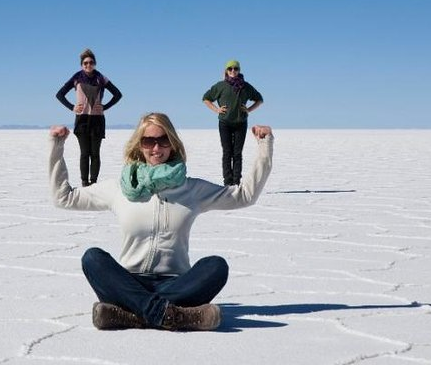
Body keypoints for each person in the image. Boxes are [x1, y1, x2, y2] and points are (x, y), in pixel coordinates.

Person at [48, 112, 274, 331]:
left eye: (163, 140)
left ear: (173, 143)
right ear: (139, 145)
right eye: (148, 141)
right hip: (128, 284)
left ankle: (133, 315)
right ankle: (174, 315)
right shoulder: (118, 188)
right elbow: (64, 198)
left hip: (177, 284)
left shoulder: (191, 189)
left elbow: (244, 196)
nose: (156, 148)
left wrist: (264, 148)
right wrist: (56, 146)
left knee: (216, 266)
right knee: (93, 258)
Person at [56, 48, 122, 187]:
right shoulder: (77, 77)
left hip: (97, 120)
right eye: (85, 63)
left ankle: (94, 183)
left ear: (95, 63)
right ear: (82, 64)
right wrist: (72, 107)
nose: (88, 65)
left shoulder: (101, 78)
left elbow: (117, 94)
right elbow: (60, 94)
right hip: (82, 120)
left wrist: (105, 106)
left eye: (91, 62)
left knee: (95, 153)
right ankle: (85, 183)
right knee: (85, 153)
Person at [203, 59, 264, 186]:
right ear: (226, 71)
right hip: (224, 123)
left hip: (240, 123)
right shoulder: (220, 86)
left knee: (237, 153)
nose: (233, 71)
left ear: (239, 70)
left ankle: (236, 182)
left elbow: (259, 99)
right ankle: (227, 183)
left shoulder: (245, 87)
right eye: (230, 69)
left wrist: (248, 110)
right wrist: (217, 110)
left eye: (235, 69)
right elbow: (206, 98)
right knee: (227, 152)